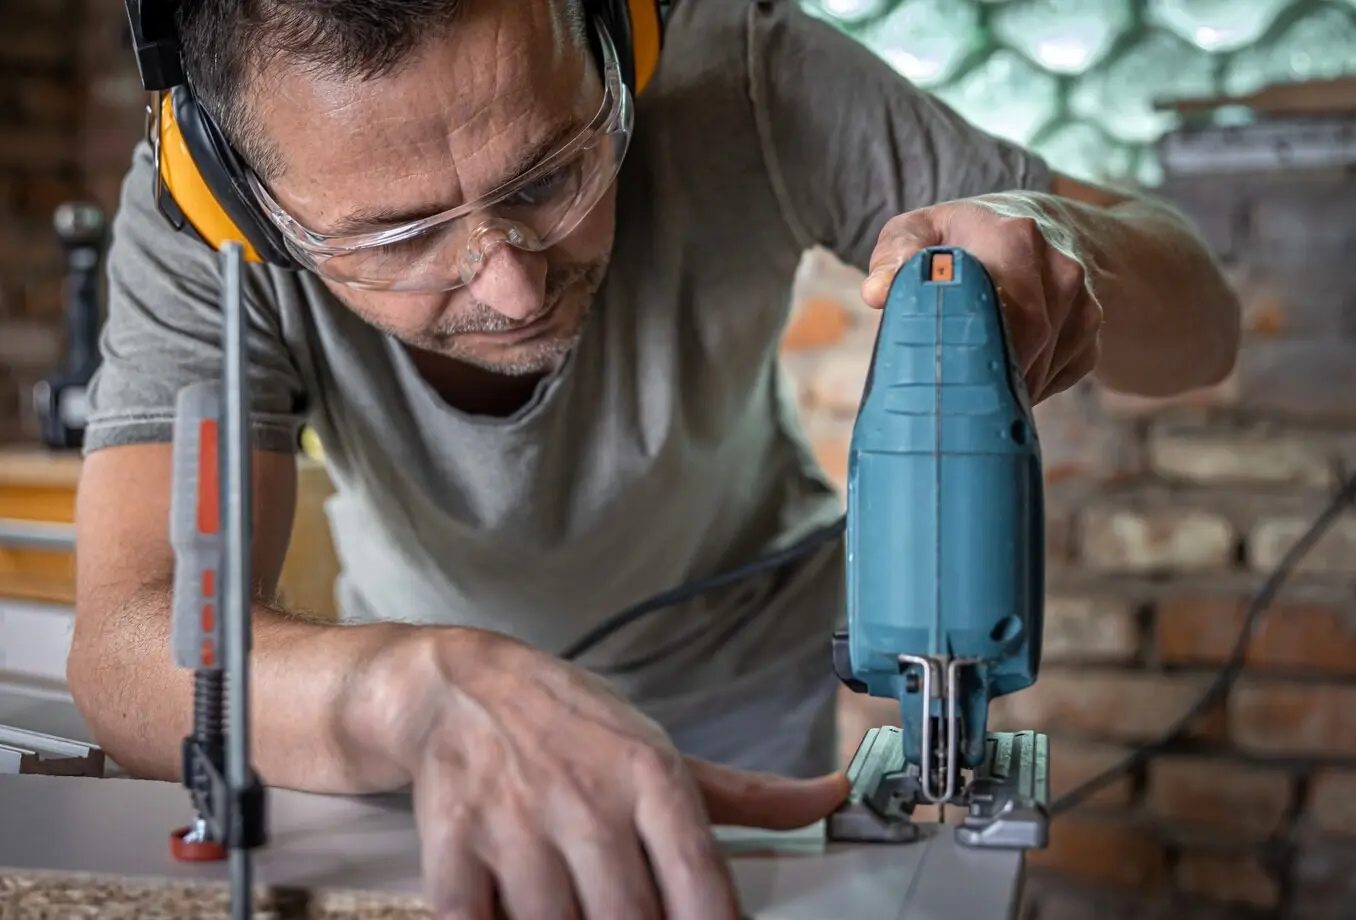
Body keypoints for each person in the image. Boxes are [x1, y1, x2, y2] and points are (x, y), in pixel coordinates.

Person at [67, 0, 1241, 917]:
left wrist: (1065, 246)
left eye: (553, 174)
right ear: (238, 196)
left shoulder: (748, 74)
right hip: (431, 746)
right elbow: (131, 647)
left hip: (767, 714)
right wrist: (411, 692)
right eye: (399, 235)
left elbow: (1204, 320)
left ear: (620, 39)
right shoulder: (200, 238)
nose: (512, 281)